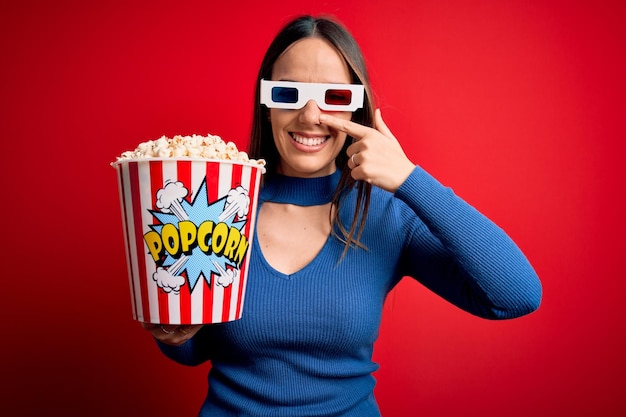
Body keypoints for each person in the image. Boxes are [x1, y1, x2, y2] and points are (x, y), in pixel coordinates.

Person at [141, 14, 542, 416]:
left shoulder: (386, 215)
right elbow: (194, 352)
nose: (311, 116)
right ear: (267, 105)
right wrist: (173, 334)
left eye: (334, 97)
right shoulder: (220, 205)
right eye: (288, 93)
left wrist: (410, 179)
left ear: (357, 110)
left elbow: (516, 295)